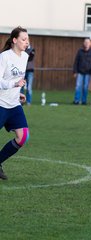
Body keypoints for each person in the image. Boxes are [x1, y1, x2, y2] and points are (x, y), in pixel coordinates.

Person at [0, 26, 30, 180]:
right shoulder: (4, 57)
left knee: (23, 137)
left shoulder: (24, 57)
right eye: (24, 39)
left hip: (14, 104)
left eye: (27, 39)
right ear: (14, 40)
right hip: (0, 104)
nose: (27, 42)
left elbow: (17, 81)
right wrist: (14, 85)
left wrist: (19, 93)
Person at [73, 37, 91, 105]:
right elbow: (76, 62)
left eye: (88, 42)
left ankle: (84, 101)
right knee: (78, 86)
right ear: (83, 43)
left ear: (90, 43)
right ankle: (76, 100)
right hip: (80, 72)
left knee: (85, 87)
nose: (86, 43)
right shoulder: (79, 51)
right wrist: (75, 71)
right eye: (85, 42)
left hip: (88, 73)